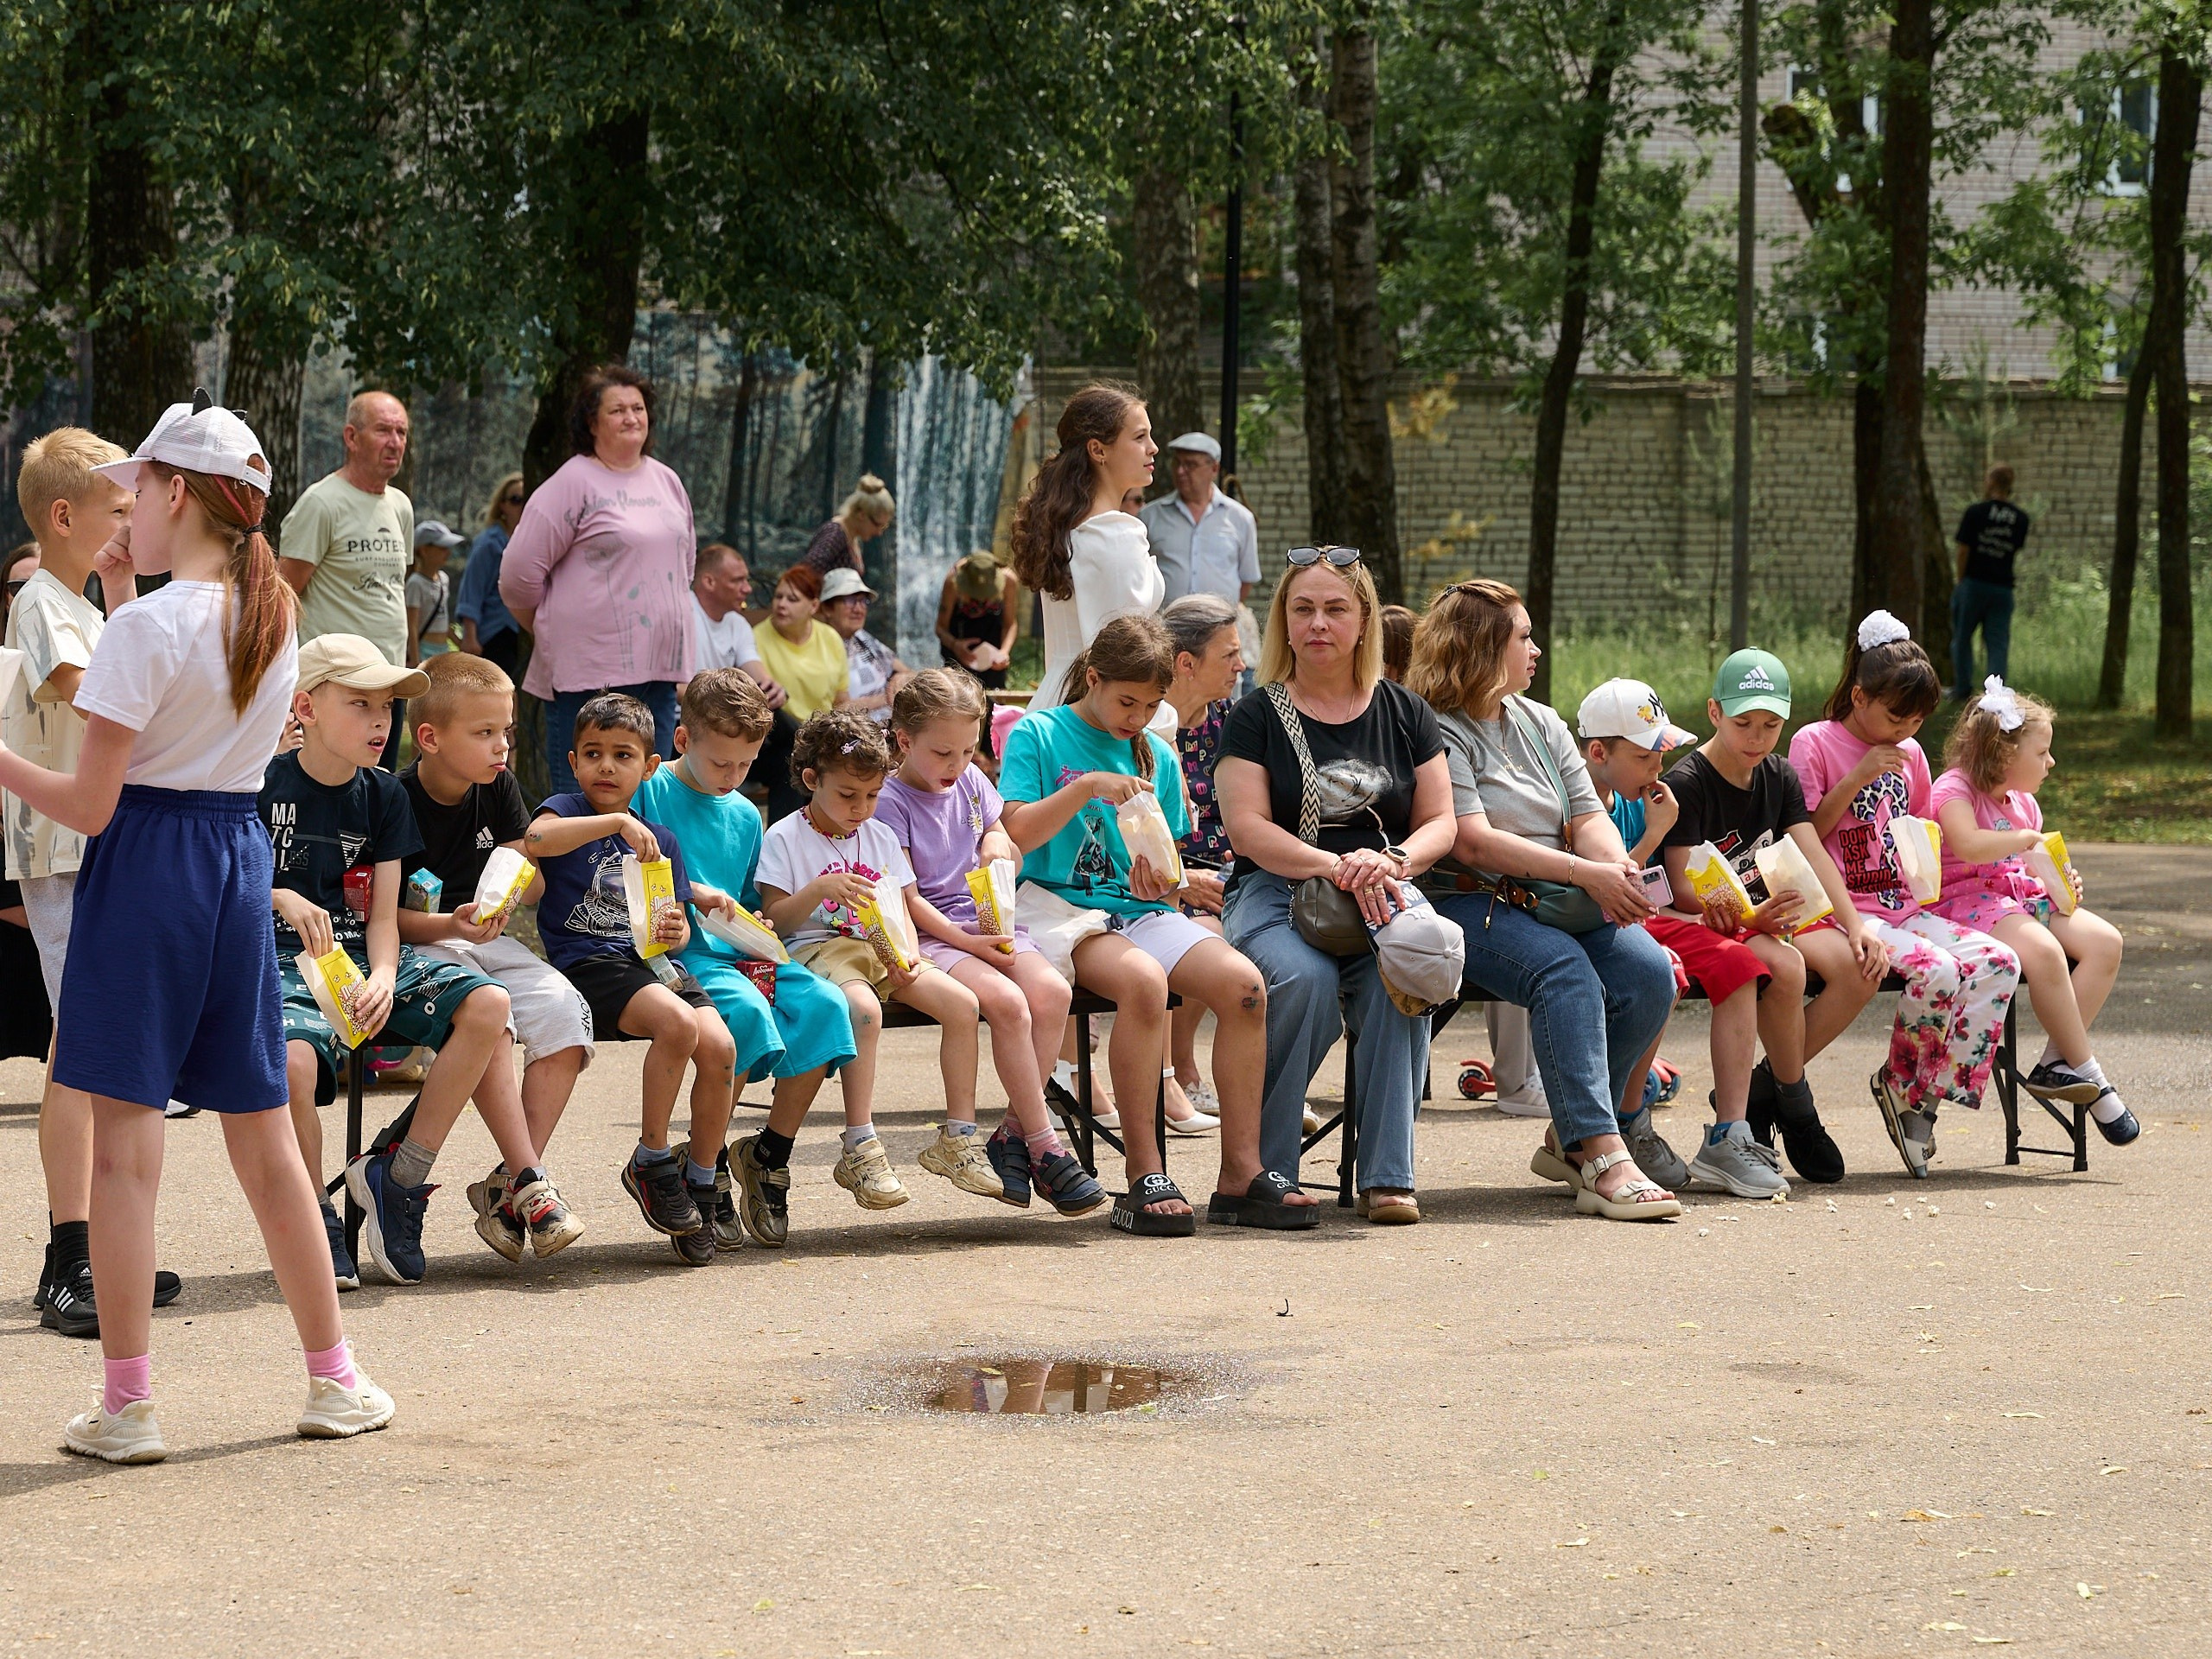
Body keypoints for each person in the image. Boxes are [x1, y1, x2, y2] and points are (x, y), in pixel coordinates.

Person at [0, 392, 391, 1461]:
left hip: (146, 874)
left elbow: (87, 806)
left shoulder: (145, 625)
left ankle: (129, 1408)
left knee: (126, 1160)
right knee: (267, 1146)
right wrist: (132, 592)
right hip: (232, 865)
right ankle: (335, 1380)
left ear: (180, 493)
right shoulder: (269, 618)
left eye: (140, 491)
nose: (127, 507)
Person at [264, 634, 569, 1289]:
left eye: (385, 708)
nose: (380, 722)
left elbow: (381, 915)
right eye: (361, 705)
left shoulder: (383, 796)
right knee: (290, 1062)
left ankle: (398, 1176)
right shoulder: (259, 783)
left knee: (489, 1002)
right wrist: (280, 894)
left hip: (368, 958)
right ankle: (315, 1215)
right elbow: (221, 878)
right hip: (281, 960)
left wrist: (380, 975)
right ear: (305, 708)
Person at [1000, 613, 1312, 1236]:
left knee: (1245, 986)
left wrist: (1165, 882)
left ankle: (1240, 1174)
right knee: (1143, 984)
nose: (1136, 718)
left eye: (1150, 705)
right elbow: (1016, 833)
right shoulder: (1039, 734)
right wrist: (1087, 786)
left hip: (1136, 911)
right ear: (1092, 678)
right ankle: (1145, 1173)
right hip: (1059, 909)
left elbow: (1164, 870)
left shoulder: (1157, 754)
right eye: (1125, 701)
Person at [1407, 580, 1680, 1222]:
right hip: (1469, 902)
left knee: (1648, 974)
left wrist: (1617, 869)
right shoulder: (1437, 729)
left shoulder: (1540, 719)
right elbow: (1472, 843)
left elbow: (1588, 813)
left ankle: (1570, 1140)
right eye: (1523, 638)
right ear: (1480, 649)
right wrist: (1588, 874)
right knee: (1566, 974)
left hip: (1556, 896)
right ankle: (1601, 1152)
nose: (1536, 650)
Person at [5, 429, 183, 1338]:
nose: (131, 519)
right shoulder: (41, 600)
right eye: (118, 507)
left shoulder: (82, 602)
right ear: (64, 518)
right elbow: (91, 692)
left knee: (94, 1042)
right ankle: (68, 1251)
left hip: (98, 844)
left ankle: (98, 1247)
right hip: (65, 850)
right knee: (76, 1049)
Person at [1217, 550, 1456, 1224]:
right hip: (1276, 889)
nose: (1318, 622)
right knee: (1304, 980)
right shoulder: (1258, 715)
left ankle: (1388, 1177)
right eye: (1303, 609)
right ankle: (1260, 1173)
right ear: (1284, 625)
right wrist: (1331, 865)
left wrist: (1394, 861)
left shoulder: (1407, 711)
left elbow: (1442, 821)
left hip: (1382, 888)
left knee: (1400, 976)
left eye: (1335, 609)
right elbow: (1246, 830)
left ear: (1363, 622)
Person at [631, 668, 860, 1248]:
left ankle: (766, 1155)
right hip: (685, 957)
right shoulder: (651, 788)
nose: (733, 778)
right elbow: (625, 872)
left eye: (746, 766)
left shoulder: (740, 813)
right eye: (721, 764)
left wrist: (766, 925)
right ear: (682, 742)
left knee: (829, 1008)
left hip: (742, 954)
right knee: (749, 1015)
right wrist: (690, 897)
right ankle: (701, 1168)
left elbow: (757, 908)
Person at [1789, 612, 2022, 1179]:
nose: (1905, 729)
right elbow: (1804, 835)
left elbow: (1921, 828)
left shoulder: (1912, 753)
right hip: (1840, 910)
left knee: (1999, 962)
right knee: (1938, 971)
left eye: (1917, 719)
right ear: (1859, 695)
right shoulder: (1814, 743)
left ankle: (1920, 1097)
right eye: (1896, 715)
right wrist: (1858, 776)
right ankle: (1903, 1088)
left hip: (1903, 907)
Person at [875, 669, 1109, 1215]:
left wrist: (999, 846)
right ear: (904, 741)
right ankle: (1046, 1145)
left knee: (1052, 992)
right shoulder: (890, 801)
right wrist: (971, 943)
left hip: (988, 922)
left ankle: (1012, 1132)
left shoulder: (972, 781)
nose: (956, 767)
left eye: (967, 751)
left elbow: (999, 831)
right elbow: (908, 900)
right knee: (1006, 1003)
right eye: (943, 753)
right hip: (936, 935)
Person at [524, 693, 739, 1265]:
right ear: (573, 762)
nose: (606, 766)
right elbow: (536, 843)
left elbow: (679, 932)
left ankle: (698, 1180)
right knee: (676, 1024)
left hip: (653, 964)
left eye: (623, 756)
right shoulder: (564, 811)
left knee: (721, 1047)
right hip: (590, 964)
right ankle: (652, 1159)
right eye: (593, 754)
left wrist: (674, 929)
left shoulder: (659, 840)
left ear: (648, 767)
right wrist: (615, 822)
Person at [396, 652, 596, 1260]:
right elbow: (383, 918)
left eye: (505, 731)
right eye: (485, 733)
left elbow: (526, 888)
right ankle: (533, 1182)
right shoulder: (393, 799)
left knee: (565, 1013)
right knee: (493, 1015)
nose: (502, 746)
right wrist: (447, 922)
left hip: (487, 938)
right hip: (423, 942)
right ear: (429, 738)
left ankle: (508, 1185)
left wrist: (519, 876)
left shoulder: (500, 788)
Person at [757, 710, 978, 1211]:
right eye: (847, 795)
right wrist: (817, 890)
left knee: (963, 1005)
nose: (861, 808)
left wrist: (906, 955)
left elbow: (899, 904)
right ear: (811, 780)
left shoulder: (878, 835)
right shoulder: (786, 837)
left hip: (882, 949)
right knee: (865, 1012)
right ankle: (860, 1143)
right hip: (817, 949)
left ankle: (959, 1138)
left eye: (873, 795)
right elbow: (777, 921)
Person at [1576, 679, 1778, 1198]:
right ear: (1598, 752)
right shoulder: (1571, 800)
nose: (1656, 770)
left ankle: (1729, 1135)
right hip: (1594, 927)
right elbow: (1606, 890)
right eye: (1646, 756)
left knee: (1738, 964)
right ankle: (1626, 1121)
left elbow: (1647, 891)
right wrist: (1653, 836)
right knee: (1660, 966)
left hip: (1639, 919)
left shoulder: (1630, 798)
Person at [1930, 678, 2134, 1141]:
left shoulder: (2025, 804)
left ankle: (2055, 1062)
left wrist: (2062, 882)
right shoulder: (1953, 788)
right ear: (2004, 754)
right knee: (2044, 951)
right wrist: (2024, 841)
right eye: (2042, 753)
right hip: (1965, 902)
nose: (2051, 762)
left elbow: (2032, 867)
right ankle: (2091, 1075)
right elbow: (1967, 843)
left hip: (2016, 899)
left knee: (2105, 942)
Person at [499, 365, 696, 792]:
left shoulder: (667, 481)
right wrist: (549, 625)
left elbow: (685, 568)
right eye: (617, 410)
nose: (631, 418)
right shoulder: (572, 482)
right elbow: (517, 578)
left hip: (659, 671)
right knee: (586, 800)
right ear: (591, 423)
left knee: (649, 797)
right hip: (586, 676)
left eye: (638, 408)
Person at [1008, 382, 1164, 723]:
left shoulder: (1066, 528)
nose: (1152, 448)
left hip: (1056, 705)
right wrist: (1161, 727)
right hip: (1105, 717)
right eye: (1139, 438)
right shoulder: (1115, 534)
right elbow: (1128, 658)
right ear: (1099, 450)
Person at [277, 389, 412, 767]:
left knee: (374, 789)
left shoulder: (401, 506)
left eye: (402, 433)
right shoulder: (321, 503)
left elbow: (392, 592)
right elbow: (283, 595)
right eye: (384, 430)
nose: (395, 442)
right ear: (351, 437)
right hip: (336, 682)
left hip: (389, 680)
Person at [1160, 592, 1247, 1129]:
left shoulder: (1233, 721)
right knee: (1208, 932)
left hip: (1231, 869)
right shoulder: (1143, 730)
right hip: (1169, 878)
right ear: (1186, 663)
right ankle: (1182, 1071)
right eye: (1230, 655)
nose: (1241, 666)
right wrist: (1180, 878)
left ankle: (1260, 1087)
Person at [1138, 431, 1259, 608]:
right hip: (1165, 629)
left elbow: (1246, 581)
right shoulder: (1149, 516)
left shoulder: (1240, 518)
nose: (1180, 471)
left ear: (1214, 469)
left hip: (1219, 628)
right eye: (1177, 463)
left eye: (1190, 465)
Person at [1949, 464, 2029, 697]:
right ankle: (1996, 694)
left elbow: (1964, 550)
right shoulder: (2020, 519)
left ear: (1992, 483)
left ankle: (1962, 688)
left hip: (1974, 584)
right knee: (1997, 643)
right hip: (2003, 589)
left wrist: (1961, 580)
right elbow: (2013, 550)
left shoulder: (1976, 512)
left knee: (1962, 637)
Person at [454, 471, 525, 678]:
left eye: (526, 499)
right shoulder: (489, 543)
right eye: (515, 500)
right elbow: (472, 589)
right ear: (502, 505)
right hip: (494, 632)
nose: (521, 505)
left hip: (517, 632)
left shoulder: (528, 540)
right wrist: (470, 636)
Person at [822, 568, 912, 723]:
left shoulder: (861, 636)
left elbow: (910, 673)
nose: (858, 608)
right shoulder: (820, 645)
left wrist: (900, 678)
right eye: (850, 600)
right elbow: (837, 711)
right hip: (857, 734)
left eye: (863, 601)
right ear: (827, 608)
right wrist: (889, 697)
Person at [935, 547, 1018, 689]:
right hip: (958, 646)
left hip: (992, 653)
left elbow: (1010, 624)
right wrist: (955, 645)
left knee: (992, 699)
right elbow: (940, 628)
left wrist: (1004, 652)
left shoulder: (1008, 580)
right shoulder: (953, 580)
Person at [803, 473, 895, 578]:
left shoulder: (850, 536)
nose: (879, 532)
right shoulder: (835, 534)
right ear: (862, 515)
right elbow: (805, 572)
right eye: (878, 525)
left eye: (884, 527)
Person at [405, 518, 462, 663]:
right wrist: (415, 659)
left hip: (443, 650)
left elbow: (443, 618)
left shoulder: (444, 579)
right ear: (424, 550)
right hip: (424, 650)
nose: (448, 553)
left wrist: (460, 644)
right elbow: (412, 625)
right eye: (442, 548)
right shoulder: (415, 583)